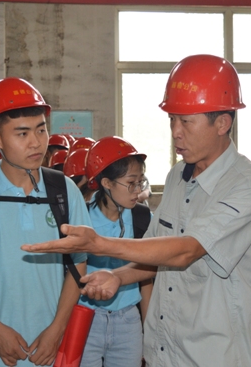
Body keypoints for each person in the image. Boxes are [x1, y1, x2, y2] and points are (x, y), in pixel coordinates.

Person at [22, 54, 251, 366]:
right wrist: (118, 276)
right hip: (165, 353)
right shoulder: (178, 177)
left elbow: (186, 251)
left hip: (212, 355)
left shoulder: (247, 187)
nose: (175, 131)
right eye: (172, 120)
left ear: (222, 122)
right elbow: (156, 255)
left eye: (185, 121)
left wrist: (99, 244)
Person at [0, 77, 92, 367]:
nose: (36, 142)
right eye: (22, 133)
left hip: (52, 350)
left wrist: (57, 330)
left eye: (41, 129)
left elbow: (78, 264)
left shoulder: (64, 192)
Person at [79, 136, 153, 367]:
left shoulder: (142, 218)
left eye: (141, 182)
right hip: (85, 318)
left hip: (128, 321)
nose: (137, 190)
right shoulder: (81, 219)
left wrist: (148, 329)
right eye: (131, 183)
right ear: (106, 183)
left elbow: (146, 278)